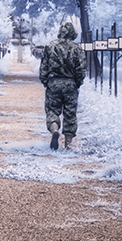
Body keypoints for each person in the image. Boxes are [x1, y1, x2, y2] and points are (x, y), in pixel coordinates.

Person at [39, 21, 87, 150]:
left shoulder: (50, 46)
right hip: (70, 84)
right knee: (70, 113)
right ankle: (68, 145)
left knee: (52, 110)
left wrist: (45, 82)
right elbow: (81, 69)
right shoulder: (77, 48)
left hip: (53, 83)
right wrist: (77, 83)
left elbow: (43, 67)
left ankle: (55, 130)